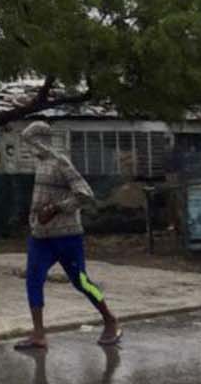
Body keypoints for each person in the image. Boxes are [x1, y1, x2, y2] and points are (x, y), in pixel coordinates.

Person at [14, 121, 121, 350]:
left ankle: (110, 319)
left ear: (41, 141)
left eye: (31, 142)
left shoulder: (60, 162)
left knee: (81, 282)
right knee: (33, 278)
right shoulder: (41, 164)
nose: (29, 147)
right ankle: (38, 334)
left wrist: (56, 208)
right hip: (41, 236)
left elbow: (85, 194)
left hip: (66, 236)